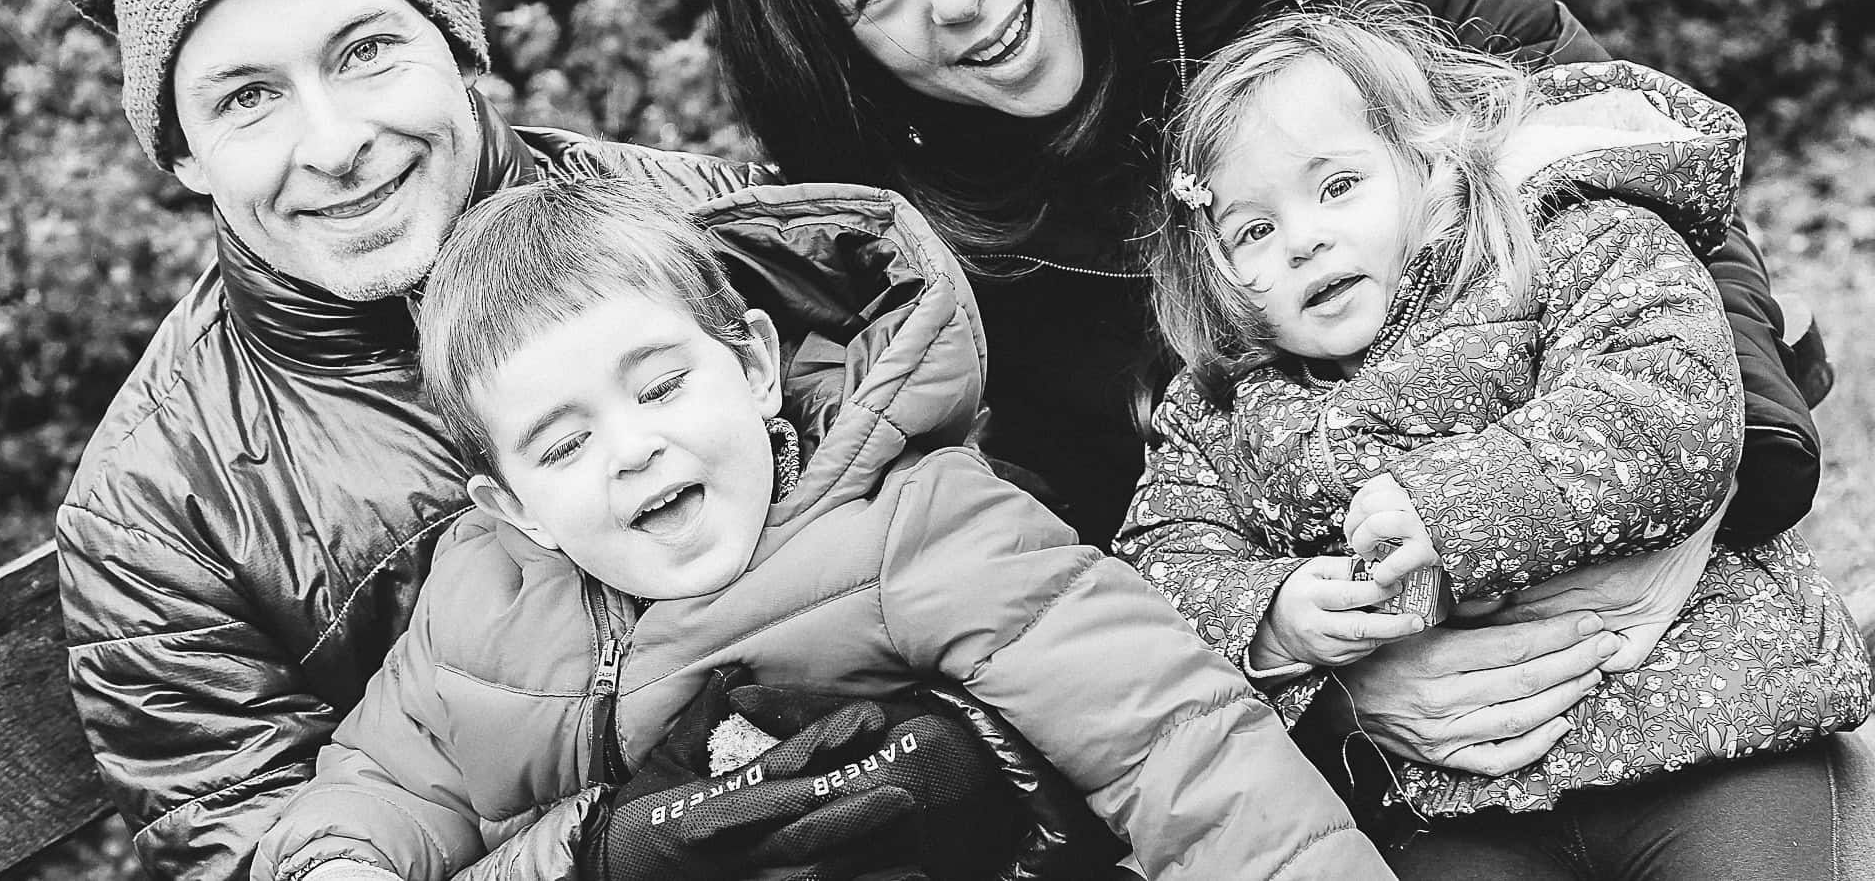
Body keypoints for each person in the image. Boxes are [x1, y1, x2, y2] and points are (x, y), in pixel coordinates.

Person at [697, 0, 1825, 772]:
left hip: (1686, 636)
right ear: (830, 44)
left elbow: (1650, 188)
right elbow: (1071, 590)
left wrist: (1708, 502)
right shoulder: (923, 273)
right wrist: (1323, 690)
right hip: (1370, 766)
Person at [45, 0, 992, 881]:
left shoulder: (714, 231)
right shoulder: (152, 506)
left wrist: (969, 736)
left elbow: (980, 512)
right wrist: (599, 850)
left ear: (457, 46)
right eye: (247, 97)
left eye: (365, 51)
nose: (333, 140)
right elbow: (257, 844)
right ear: (180, 152)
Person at [252, 175, 1395, 881]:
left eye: (659, 386)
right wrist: (343, 854)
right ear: (512, 507)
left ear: (751, 363)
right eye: (561, 444)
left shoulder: (916, 523)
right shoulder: (479, 607)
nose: (633, 448)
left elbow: (1172, 738)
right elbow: (389, 777)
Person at [1115, 0, 1870, 876]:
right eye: (1254, 229)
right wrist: (1273, 617)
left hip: (1710, 722)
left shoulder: (1556, 243)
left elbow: (1664, 405)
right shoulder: (1224, 410)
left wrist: (1451, 509)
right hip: (1464, 797)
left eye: (1337, 186)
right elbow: (1160, 561)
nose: (1304, 240)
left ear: (1428, 161)